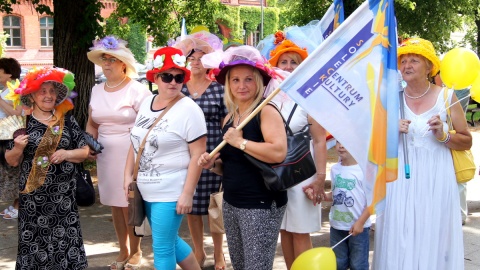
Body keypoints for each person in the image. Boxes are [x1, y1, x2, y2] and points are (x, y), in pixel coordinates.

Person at [373, 38, 471, 269]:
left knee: (433, 230)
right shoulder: (391, 98)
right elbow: (374, 141)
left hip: (436, 178)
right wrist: (390, 130)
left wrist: (444, 135)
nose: (407, 65)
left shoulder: (446, 97)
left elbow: (466, 140)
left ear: (429, 66)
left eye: (414, 60)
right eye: (403, 60)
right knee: (399, 231)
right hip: (399, 180)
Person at [198, 45, 288, 270]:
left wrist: (241, 142)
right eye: (235, 80)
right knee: (240, 265)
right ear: (228, 84)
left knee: (256, 266)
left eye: (248, 79)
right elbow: (231, 164)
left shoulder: (266, 111)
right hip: (232, 202)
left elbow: (278, 152)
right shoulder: (230, 117)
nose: (241, 86)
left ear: (259, 81)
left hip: (260, 203)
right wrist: (213, 164)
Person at [124, 46, 207, 270]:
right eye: (167, 76)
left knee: (162, 248)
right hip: (145, 190)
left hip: (171, 191)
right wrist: (127, 176)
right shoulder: (146, 103)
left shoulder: (189, 110)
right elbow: (135, 143)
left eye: (179, 77)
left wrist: (188, 194)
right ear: (155, 77)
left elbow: (198, 154)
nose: (173, 82)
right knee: (170, 242)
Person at [4, 67, 90, 269]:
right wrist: (17, 147)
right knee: (35, 246)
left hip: (64, 199)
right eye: (42, 91)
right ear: (32, 96)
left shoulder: (67, 121)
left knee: (65, 245)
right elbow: (11, 161)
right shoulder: (22, 124)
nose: (48, 95)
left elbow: (85, 151)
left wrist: (68, 154)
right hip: (33, 200)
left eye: (52, 91)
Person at [257, 31, 327, 269]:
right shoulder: (269, 97)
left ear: (301, 66)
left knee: (300, 232)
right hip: (276, 172)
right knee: (284, 230)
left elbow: (319, 140)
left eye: (293, 62)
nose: (287, 66)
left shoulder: (310, 97)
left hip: (302, 173)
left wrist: (320, 178)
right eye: (283, 62)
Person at [86, 36, 152, 270]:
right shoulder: (96, 89)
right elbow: (92, 123)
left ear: (123, 63)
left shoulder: (138, 90)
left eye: (112, 59)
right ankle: (123, 249)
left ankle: (136, 251)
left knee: (130, 204)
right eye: (104, 58)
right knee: (115, 204)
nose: (107, 63)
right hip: (105, 154)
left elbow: (148, 126)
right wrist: (90, 144)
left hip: (130, 153)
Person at [173, 31, 228, 270]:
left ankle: (219, 254)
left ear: (209, 61)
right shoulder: (178, 89)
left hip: (212, 154)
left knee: (214, 206)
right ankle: (199, 250)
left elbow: (228, 122)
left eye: (200, 56)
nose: (195, 61)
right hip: (185, 156)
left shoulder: (218, 89)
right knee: (192, 207)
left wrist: (221, 153)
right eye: (191, 57)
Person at [306, 140, 370, 269]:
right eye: (338, 142)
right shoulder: (335, 169)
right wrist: (320, 195)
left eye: (345, 142)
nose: (341, 146)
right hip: (337, 226)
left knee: (358, 265)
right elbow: (335, 195)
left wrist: (361, 223)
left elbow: (373, 201)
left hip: (358, 229)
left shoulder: (364, 170)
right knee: (338, 264)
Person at [434, 72, 470, 225]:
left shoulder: (450, 95)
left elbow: (465, 138)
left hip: (451, 148)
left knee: (459, 178)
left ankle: (460, 213)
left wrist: (445, 135)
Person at [0, 57, 22, 220]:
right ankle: (16, 204)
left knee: (15, 171)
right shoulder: (6, 90)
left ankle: (19, 206)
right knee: (11, 172)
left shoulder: (17, 89)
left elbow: (17, 113)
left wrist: (0, 101)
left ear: (8, 73)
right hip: (4, 135)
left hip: (12, 136)